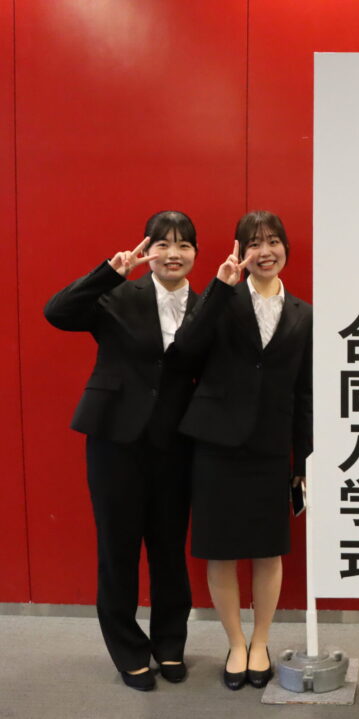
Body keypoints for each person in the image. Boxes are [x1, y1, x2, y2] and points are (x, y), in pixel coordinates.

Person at [44, 211, 200, 691]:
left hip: (176, 444)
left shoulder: (208, 305)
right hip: (114, 440)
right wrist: (110, 272)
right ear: (147, 250)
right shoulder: (117, 294)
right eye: (162, 244)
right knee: (118, 549)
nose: (172, 254)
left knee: (170, 551)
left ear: (195, 253)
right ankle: (129, 650)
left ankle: (169, 644)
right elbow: (57, 312)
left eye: (183, 245)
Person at [174, 210, 312, 690]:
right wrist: (219, 286)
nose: (265, 251)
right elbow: (185, 349)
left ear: (285, 248)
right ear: (240, 251)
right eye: (254, 243)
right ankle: (235, 643)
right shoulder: (221, 298)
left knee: (268, 551)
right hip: (217, 442)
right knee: (221, 550)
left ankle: (261, 641)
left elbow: (305, 392)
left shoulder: (304, 314)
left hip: (271, 446)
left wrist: (303, 459)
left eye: (273, 241)